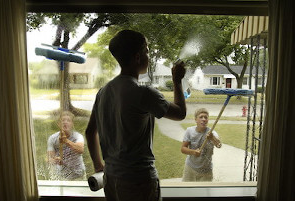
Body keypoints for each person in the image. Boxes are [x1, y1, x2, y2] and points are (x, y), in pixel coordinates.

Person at [85, 29, 187, 201]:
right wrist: (177, 81)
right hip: (138, 181)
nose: (149, 56)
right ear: (138, 57)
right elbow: (180, 113)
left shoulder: (103, 92)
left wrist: (98, 165)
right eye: (147, 51)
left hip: (110, 178)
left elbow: (89, 132)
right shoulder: (143, 92)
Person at [181, 108, 222, 182]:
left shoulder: (211, 133)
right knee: (187, 191)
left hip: (206, 171)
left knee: (204, 193)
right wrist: (193, 152)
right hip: (190, 168)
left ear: (207, 120)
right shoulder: (189, 131)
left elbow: (219, 145)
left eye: (206, 117)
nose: (203, 119)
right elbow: (183, 149)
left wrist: (212, 137)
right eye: (201, 117)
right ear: (196, 119)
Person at [47, 111, 86, 180]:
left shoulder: (78, 136)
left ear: (72, 124)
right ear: (59, 124)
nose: (65, 122)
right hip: (61, 176)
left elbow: (80, 150)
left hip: (78, 175)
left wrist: (66, 141)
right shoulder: (52, 138)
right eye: (63, 120)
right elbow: (50, 159)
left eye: (68, 120)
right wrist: (55, 160)